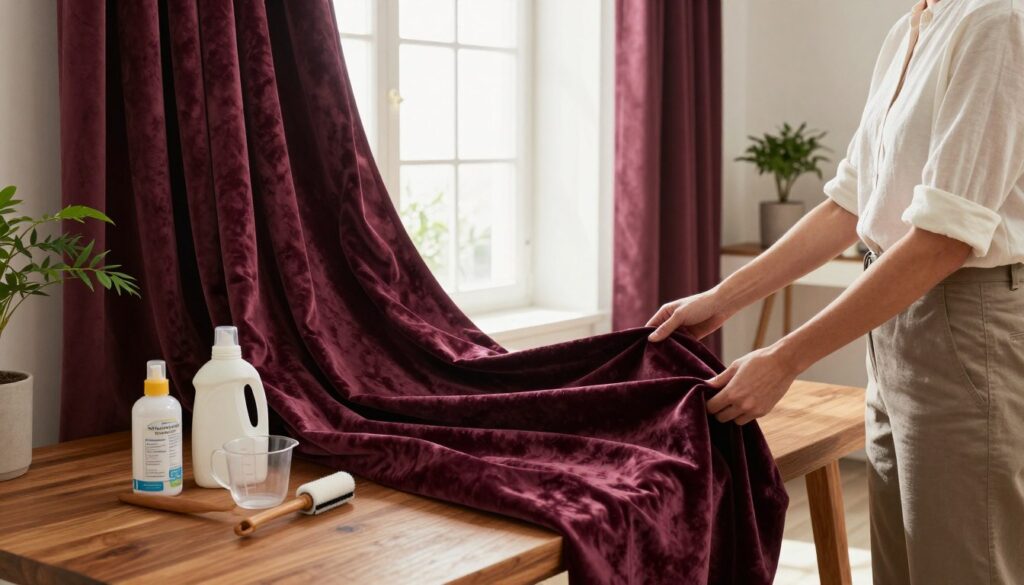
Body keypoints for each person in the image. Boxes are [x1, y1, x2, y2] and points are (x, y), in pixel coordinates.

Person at [646, 0, 1024, 582]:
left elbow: (943, 240)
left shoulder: (997, 21)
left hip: (964, 324)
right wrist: (719, 301)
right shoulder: (910, 30)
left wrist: (784, 359)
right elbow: (848, 203)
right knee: (900, 568)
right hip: (893, 324)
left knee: (962, 566)